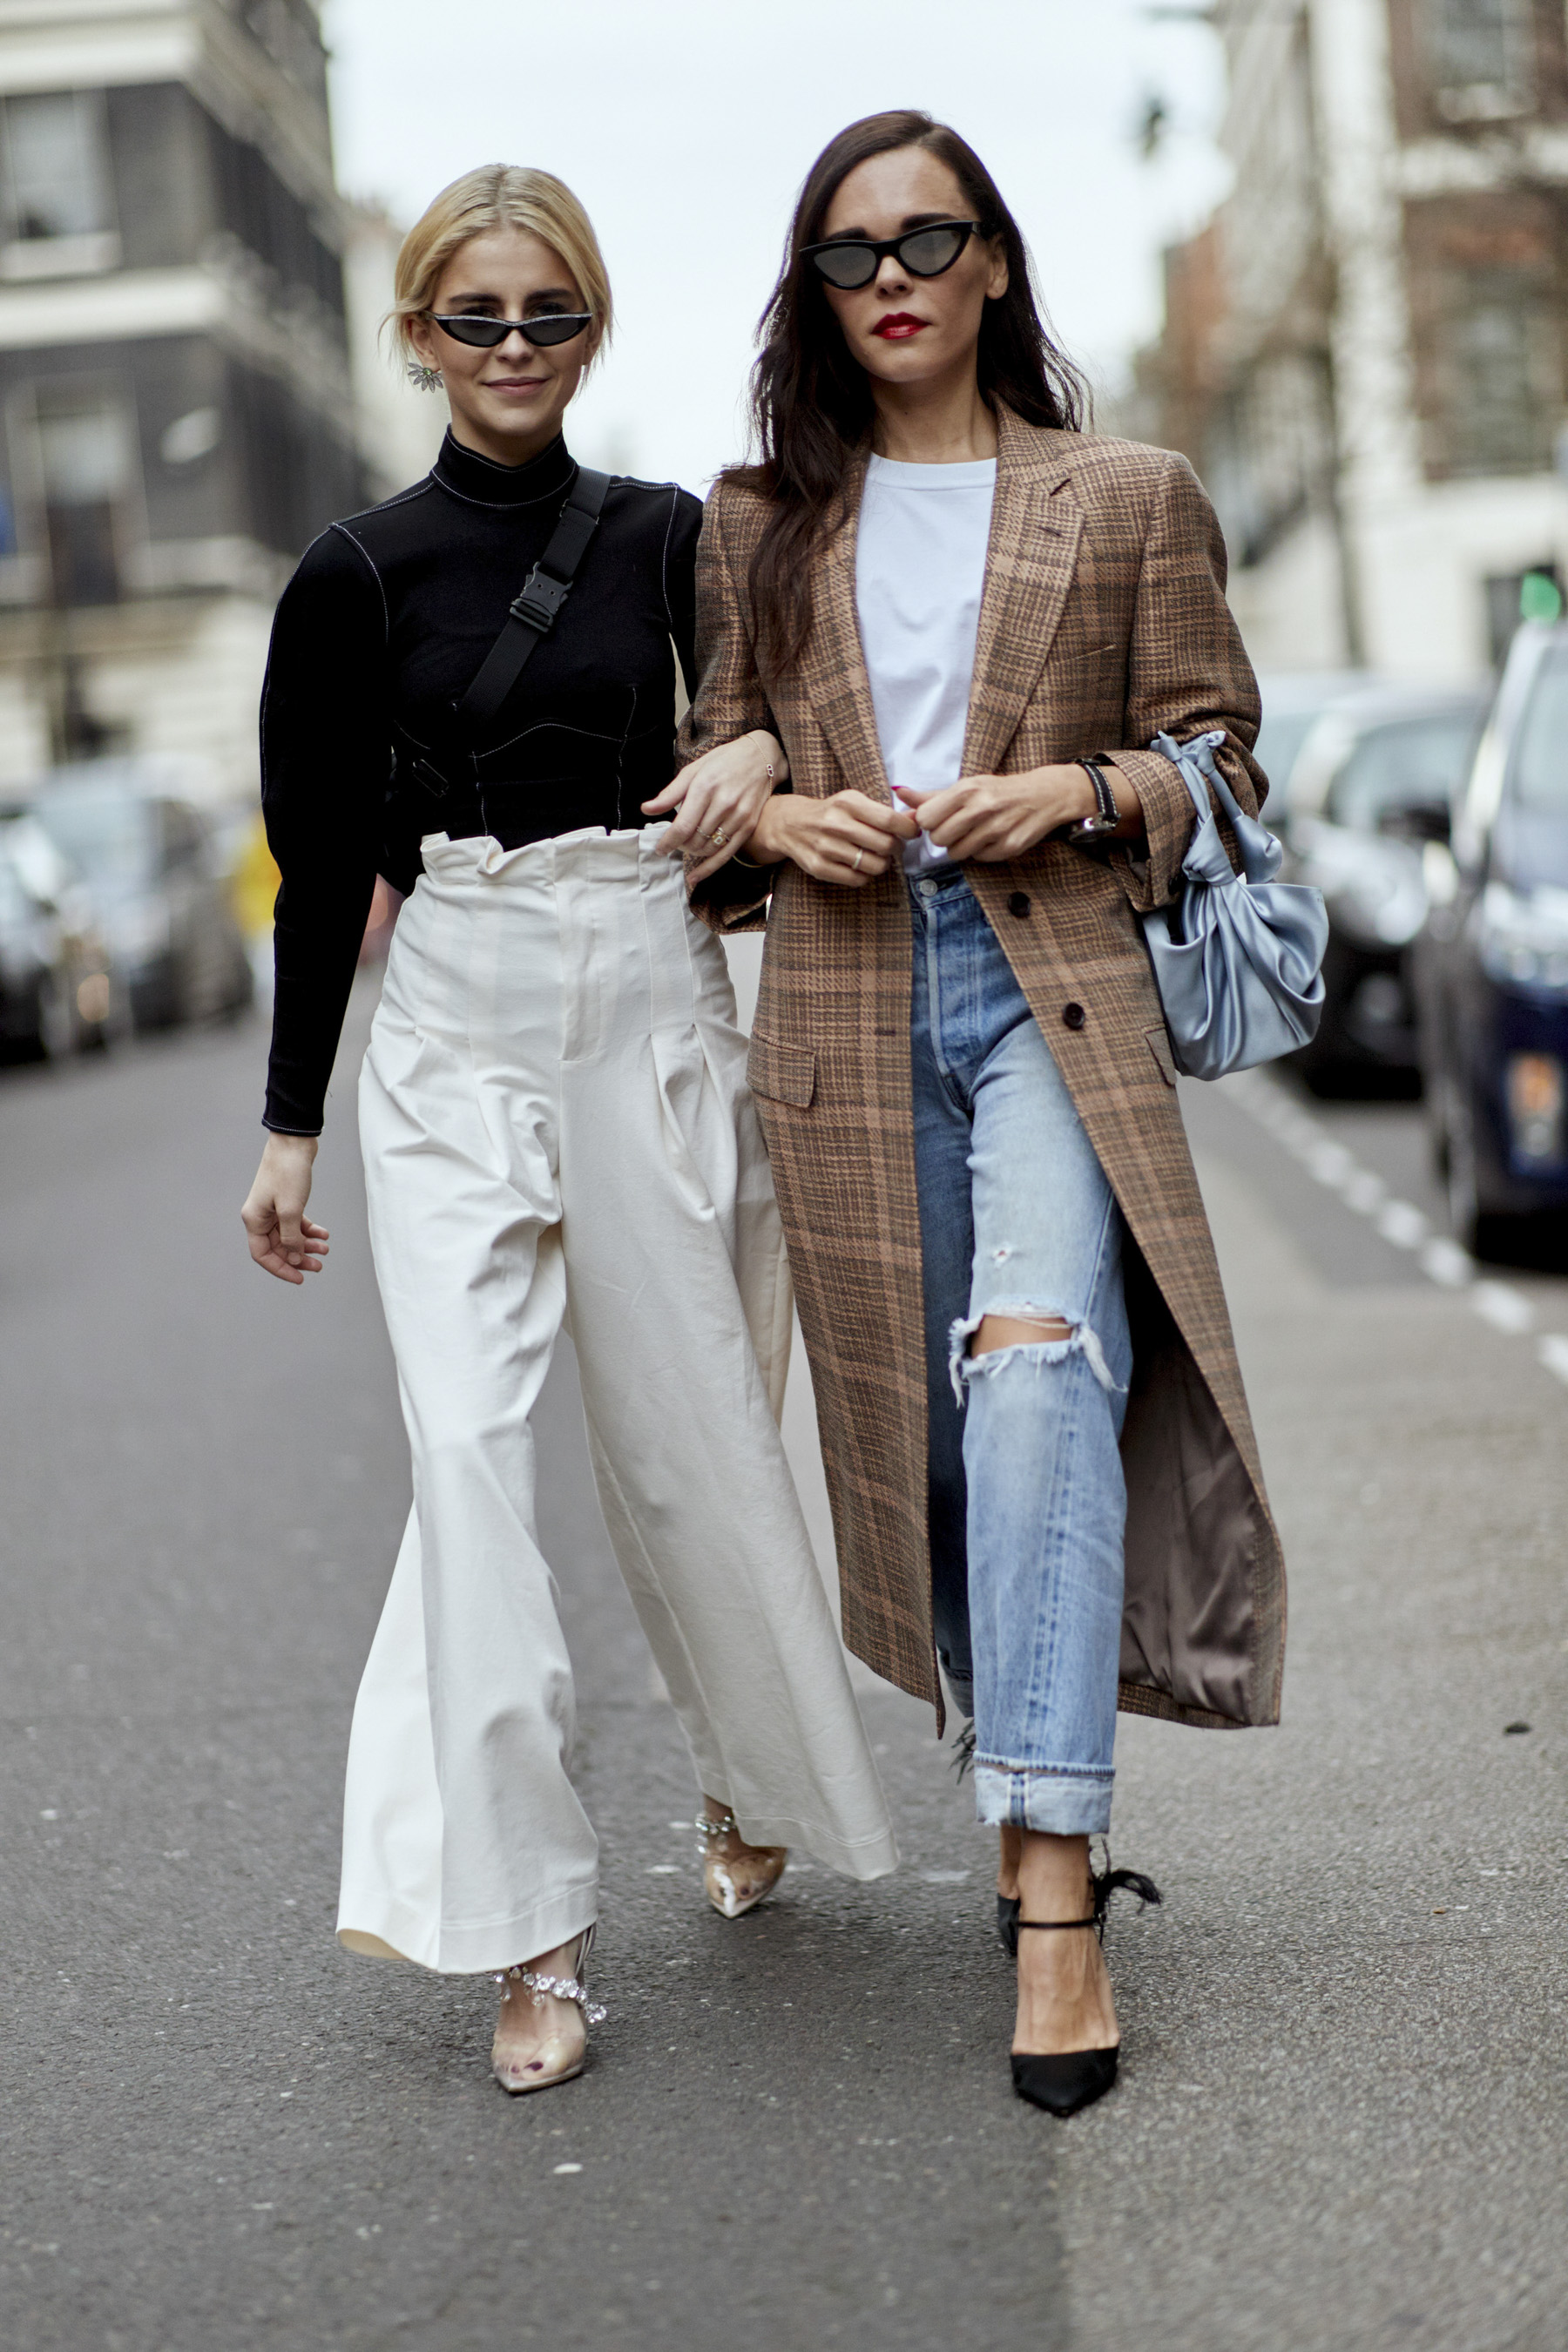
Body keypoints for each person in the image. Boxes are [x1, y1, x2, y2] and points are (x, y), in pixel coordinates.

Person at [240, 165, 896, 2098]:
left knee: (696, 1443)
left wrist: (757, 754)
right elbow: (314, 874)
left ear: (590, 328)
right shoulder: (351, 575)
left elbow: (791, 707)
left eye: (546, 316)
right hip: (451, 1023)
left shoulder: (672, 537)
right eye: (474, 317)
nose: (512, 348)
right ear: (417, 331)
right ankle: (532, 1930)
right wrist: (294, 1129)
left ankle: (744, 1782)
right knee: (466, 1467)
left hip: (644, 992)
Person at [680, 112, 1287, 2118]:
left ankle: (1052, 1889)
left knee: (1039, 1372)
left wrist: (1097, 789)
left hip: (1057, 983)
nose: (896, 277)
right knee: (926, 1443)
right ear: (818, 294)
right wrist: (777, 810)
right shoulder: (758, 520)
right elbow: (707, 808)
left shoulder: (1128, 494)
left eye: (931, 237)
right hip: (849, 999)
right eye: (852, 254)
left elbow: (1225, 760)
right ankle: (1019, 1742)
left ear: (999, 261)